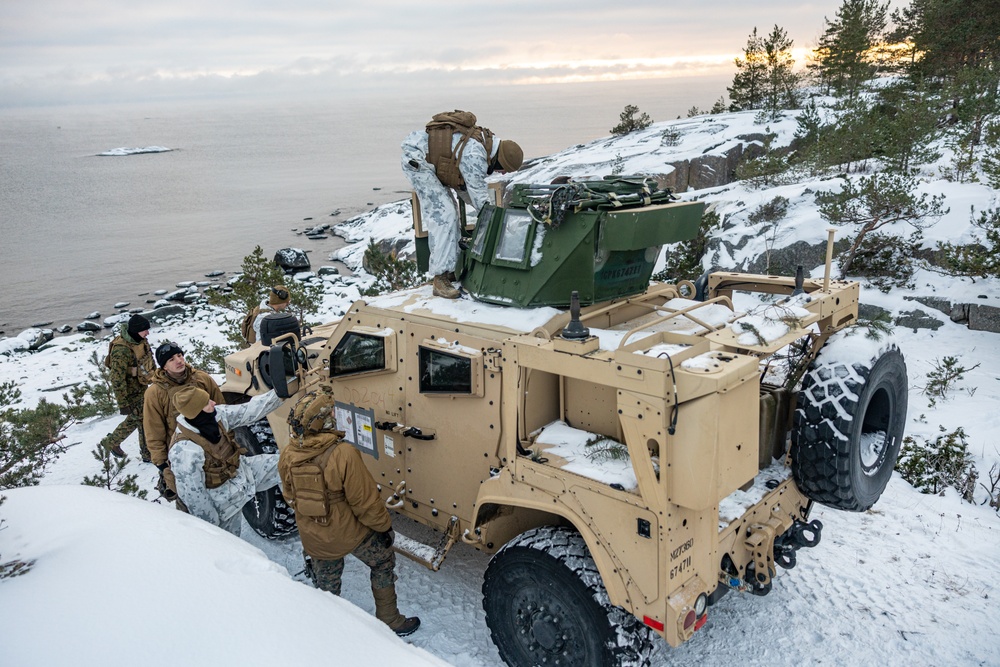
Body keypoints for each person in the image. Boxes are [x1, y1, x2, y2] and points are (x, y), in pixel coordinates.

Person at [278, 391, 420, 636]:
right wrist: (384, 528)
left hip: (315, 539)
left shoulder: (287, 454)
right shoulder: (343, 453)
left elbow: (290, 497)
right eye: (330, 412)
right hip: (351, 535)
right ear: (322, 422)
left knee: (327, 591)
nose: (334, 414)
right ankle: (391, 620)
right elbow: (365, 503)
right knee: (383, 561)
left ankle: (331, 633)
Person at [401, 112, 523, 299]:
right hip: (418, 162)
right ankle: (440, 278)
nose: (503, 173)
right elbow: (479, 198)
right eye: (503, 168)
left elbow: (468, 192)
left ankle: (450, 269)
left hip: (431, 163)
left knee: (452, 212)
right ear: (500, 158)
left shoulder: (483, 143)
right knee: (445, 216)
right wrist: (497, 223)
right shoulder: (476, 154)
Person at [168, 385, 283, 535]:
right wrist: (215, 533)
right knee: (232, 544)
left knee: (286, 463)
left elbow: (249, 410)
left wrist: (281, 392)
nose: (213, 403)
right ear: (197, 412)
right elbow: (196, 501)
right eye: (207, 403)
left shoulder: (216, 416)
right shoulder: (184, 451)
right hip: (222, 506)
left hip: (242, 474)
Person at [144, 341, 224, 504]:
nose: (179, 361)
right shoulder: (155, 393)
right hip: (182, 459)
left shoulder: (202, 379)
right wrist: (163, 466)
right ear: (164, 367)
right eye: (171, 359)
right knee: (191, 507)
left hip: (213, 451)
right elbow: (154, 432)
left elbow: (223, 411)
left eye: (180, 355)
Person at [99, 314, 155, 461]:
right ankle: (143, 452)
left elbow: (148, 359)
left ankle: (144, 451)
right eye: (145, 330)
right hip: (130, 391)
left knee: (141, 418)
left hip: (142, 385)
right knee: (140, 418)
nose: (147, 333)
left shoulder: (140, 340)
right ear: (136, 330)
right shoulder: (121, 349)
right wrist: (123, 403)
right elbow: (117, 378)